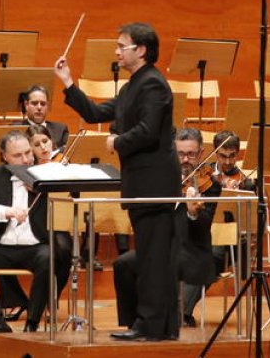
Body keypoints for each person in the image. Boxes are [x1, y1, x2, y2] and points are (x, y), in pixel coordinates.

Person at [56, 22, 180, 341]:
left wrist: (117, 142)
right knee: (150, 257)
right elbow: (96, 113)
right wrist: (68, 82)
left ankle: (152, 326)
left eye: (121, 46)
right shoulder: (132, 87)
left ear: (141, 50)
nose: (116, 52)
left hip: (154, 184)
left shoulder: (153, 84)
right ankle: (159, 326)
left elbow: (148, 131)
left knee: (153, 259)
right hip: (142, 184)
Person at [0, 130, 69, 345]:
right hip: (1, 247)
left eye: (28, 152)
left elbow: (65, 202)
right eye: (18, 155)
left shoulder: (45, 173)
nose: (26, 159)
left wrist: (42, 189)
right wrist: (5, 211)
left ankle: (32, 324)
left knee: (49, 258)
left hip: (36, 247)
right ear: (5, 156)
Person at [164, 128, 222, 328]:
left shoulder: (210, 185)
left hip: (194, 244)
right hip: (165, 241)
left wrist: (193, 213)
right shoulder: (163, 178)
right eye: (180, 154)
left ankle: (180, 313)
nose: (185, 160)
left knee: (200, 258)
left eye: (191, 154)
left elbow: (205, 225)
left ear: (201, 153)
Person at [19, 85, 69, 149]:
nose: (39, 107)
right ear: (26, 105)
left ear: (47, 106)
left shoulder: (60, 130)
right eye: (34, 103)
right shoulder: (14, 130)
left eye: (43, 104)